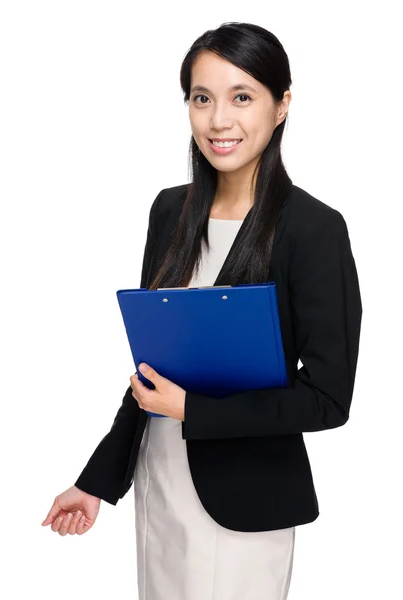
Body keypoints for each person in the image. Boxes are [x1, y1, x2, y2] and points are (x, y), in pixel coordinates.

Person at [41, 22, 362, 600]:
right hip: (160, 487)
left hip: (245, 504)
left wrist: (195, 410)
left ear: (282, 104)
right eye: (202, 98)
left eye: (243, 97)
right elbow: (152, 367)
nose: (219, 120)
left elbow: (328, 399)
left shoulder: (313, 229)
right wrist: (97, 482)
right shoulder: (170, 212)